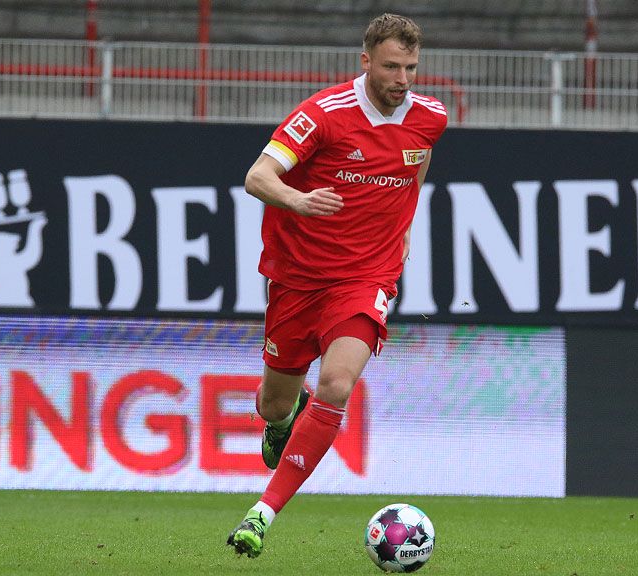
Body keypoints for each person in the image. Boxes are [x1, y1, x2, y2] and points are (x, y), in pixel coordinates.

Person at [226, 12, 448, 558]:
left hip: (366, 277)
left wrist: (402, 229)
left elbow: (416, 165)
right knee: (274, 403)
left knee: (337, 384)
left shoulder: (431, 117)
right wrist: (299, 200)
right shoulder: (322, 115)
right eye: (391, 67)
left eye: (411, 68)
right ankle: (284, 419)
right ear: (366, 61)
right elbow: (257, 176)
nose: (402, 79)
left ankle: (261, 514)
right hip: (298, 278)